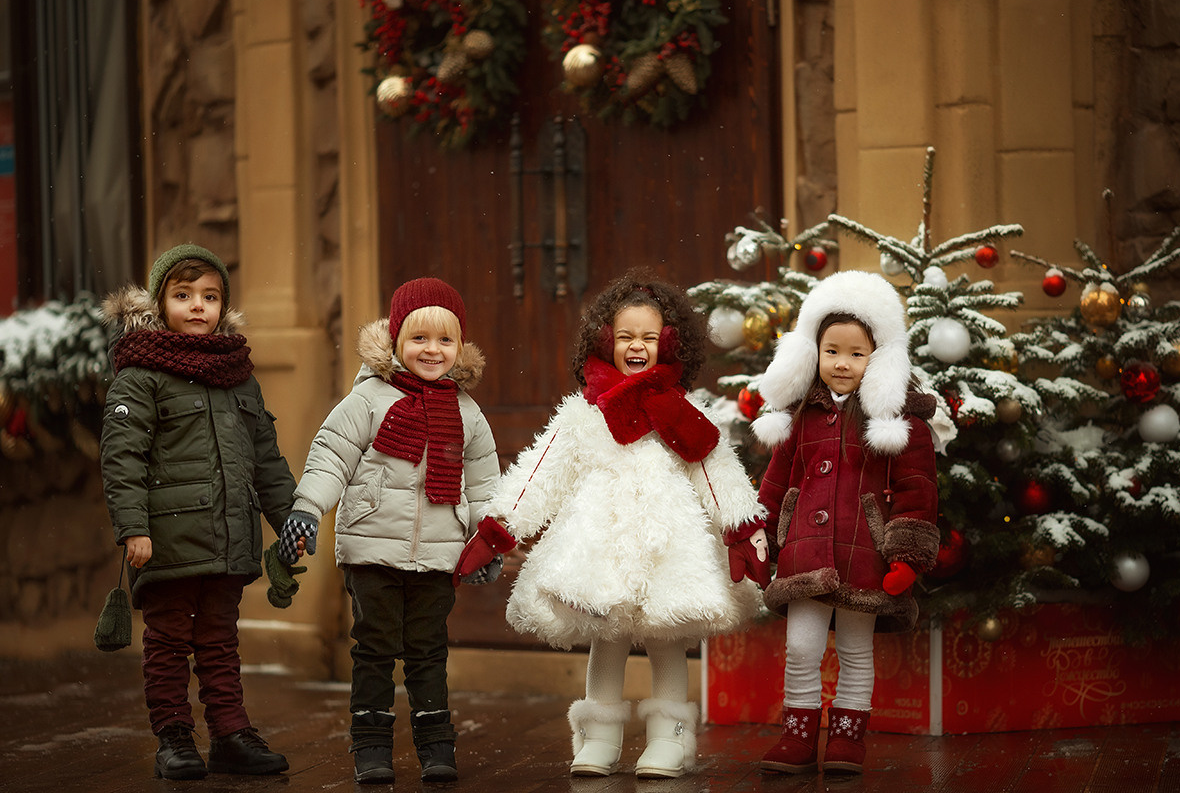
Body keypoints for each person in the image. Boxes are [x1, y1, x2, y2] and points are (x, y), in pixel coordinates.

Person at [453, 271, 768, 779]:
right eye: (625, 336)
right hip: (600, 542)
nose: (636, 346)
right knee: (608, 635)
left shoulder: (682, 411)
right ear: (606, 341)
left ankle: (670, 738)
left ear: (669, 342)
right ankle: (598, 737)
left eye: (649, 337)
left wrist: (741, 525)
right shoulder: (585, 412)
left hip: (668, 543)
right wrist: (499, 526)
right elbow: (541, 472)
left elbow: (715, 469)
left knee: (666, 633)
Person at [281, 277, 499, 785]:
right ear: (396, 340)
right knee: (374, 648)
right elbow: (331, 456)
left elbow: (485, 484)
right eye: (419, 338)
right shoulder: (369, 400)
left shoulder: (466, 412)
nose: (432, 350)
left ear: (460, 346)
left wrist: (485, 540)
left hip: (437, 554)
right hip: (371, 550)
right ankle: (371, 746)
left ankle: (437, 745)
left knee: (428, 650)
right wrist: (308, 508)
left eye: (445, 339)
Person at [100, 244, 296, 780]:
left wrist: (289, 522)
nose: (197, 306)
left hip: (229, 538)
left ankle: (230, 735)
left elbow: (266, 460)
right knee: (168, 642)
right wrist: (133, 528)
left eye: (209, 297)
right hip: (166, 541)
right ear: (160, 303)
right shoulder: (141, 374)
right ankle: (174, 738)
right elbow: (122, 457)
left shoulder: (239, 377)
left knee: (219, 641)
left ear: (222, 306)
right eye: (183, 295)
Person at [748, 270, 940, 775]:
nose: (842, 363)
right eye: (832, 350)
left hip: (866, 556)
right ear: (813, 351)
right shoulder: (802, 414)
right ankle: (797, 736)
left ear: (878, 357)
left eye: (857, 354)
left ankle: (848, 739)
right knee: (801, 647)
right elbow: (776, 480)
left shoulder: (896, 420)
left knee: (855, 649)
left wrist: (906, 553)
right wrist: (760, 536)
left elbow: (917, 490)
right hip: (804, 552)